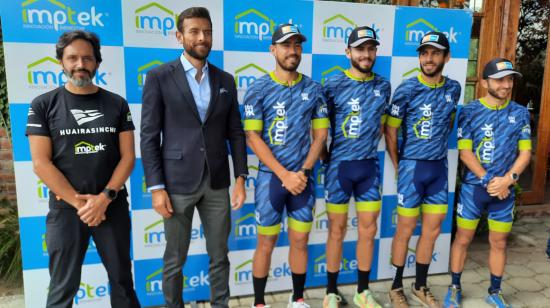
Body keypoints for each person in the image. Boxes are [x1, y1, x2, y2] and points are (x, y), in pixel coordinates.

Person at [140, 7, 247, 308]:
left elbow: (235, 133)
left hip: (216, 182)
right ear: (179, 36)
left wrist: (240, 177)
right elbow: (149, 136)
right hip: (175, 184)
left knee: (219, 256)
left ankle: (221, 305)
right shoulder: (159, 76)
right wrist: (156, 187)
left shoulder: (225, 79)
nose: (202, 37)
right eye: (195, 31)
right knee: (174, 259)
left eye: (207, 31)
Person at [26, 30, 140, 308]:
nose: (80, 64)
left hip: (110, 205)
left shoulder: (116, 103)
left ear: (97, 63)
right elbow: (41, 164)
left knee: (122, 282)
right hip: (66, 208)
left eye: (87, 58)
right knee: (62, 288)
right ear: (61, 62)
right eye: (73, 58)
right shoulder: (42, 105)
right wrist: (82, 204)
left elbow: (128, 157)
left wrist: (104, 198)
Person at [243, 23, 329, 308]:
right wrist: (284, 174)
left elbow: (320, 136)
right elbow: (252, 137)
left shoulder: (314, 89)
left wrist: (302, 172)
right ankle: (258, 303)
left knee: (300, 242)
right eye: (286, 45)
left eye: (297, 45)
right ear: (273, 50)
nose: (292, 51)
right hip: (271, 180)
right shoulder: (258, 88)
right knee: (265, 243)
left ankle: (298, 299)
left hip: (303, 180)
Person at [444, 58, 531, 308]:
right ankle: (454, 287)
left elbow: (525, 152)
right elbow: (465, 152)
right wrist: (488, 180)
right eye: (500, 79)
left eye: (510, 79)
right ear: (484, 82)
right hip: (474, 190)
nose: (506, 85)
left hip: (504, 192)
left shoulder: (520, 113)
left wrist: (508, 180)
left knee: (499, 242)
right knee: (462, 239)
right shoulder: (469, 111)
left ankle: (495, 291)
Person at [384, 32, 462, 308]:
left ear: (446, 57)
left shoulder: (454, 88)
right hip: (412, 169)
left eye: (435, 53)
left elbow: (448, 123)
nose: (428, 59)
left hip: (438, 170)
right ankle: (395, 287)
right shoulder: (406, 89)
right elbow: (390, 131)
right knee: (404, 230)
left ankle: (420, 285)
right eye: (424, 53)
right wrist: (400, 164)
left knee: (431, 231)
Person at [321, 26, 391, 308]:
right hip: (339, 169)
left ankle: (363, 291)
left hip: (369, 170)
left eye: (370, 49)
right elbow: (319, 127)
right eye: (360, 49)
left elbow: (382, 126)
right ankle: (331, 292)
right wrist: (328, 156)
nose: (366, 54)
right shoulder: (332, 84)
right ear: (348, 52)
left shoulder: (383, 85)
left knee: (368, 230)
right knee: (336, 231)